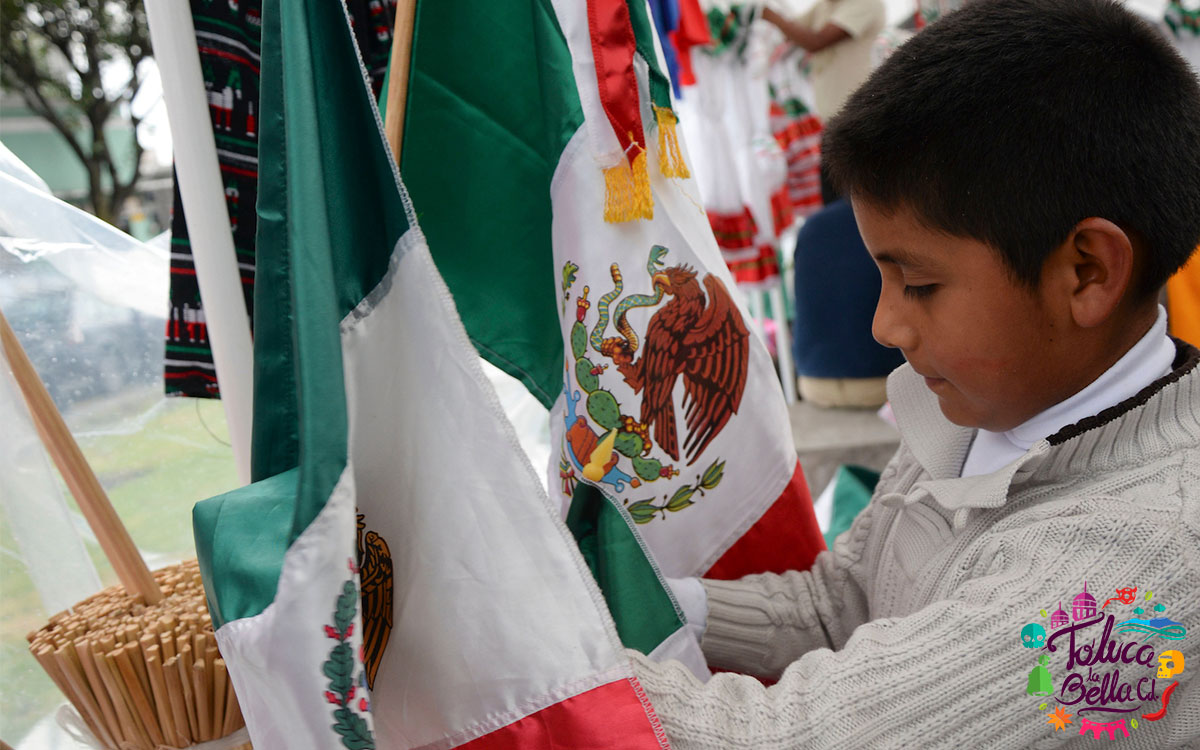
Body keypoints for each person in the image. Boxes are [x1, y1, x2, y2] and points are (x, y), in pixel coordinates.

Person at [627, 1, 1200, 747]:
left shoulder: (1140, 569)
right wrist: (663, 604)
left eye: (919, 284)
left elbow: (791, 739)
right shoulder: (977, 410)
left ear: (1086, 271)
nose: (884, 327)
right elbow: (840, 605)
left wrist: (532, 671)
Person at [761, 0, 884, 203]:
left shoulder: (864, 3)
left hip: (859, 123)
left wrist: (770, 15)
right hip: (833, 125)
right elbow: (790, 31)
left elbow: (815, 42)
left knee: (855, 203)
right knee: (835, 200)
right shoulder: (826, 6)